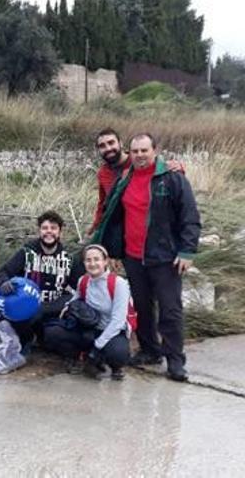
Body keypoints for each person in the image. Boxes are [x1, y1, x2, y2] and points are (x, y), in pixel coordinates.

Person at [93, 133, 201, 382]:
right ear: (129, 154)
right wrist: (110, 249)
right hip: (133, 256)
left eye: (144, 150)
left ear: (155, 150)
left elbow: (190, 216)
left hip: (165, 258)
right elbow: (112, 215)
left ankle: (175, 361)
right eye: (135, 151)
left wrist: (187, 251)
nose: (140, 155)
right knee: (141, 307)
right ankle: (150, 350)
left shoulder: (172, 178)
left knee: (170, 311)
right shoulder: (126, 179)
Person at [0, 211, 83, 349]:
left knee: (69, 303)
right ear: (39, 231)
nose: (49, 232)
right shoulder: (26, 253)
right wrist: (4, 282)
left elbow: (81, 285)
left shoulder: (69, 259)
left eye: (53, 228)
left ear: (60, 232)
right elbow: (3, 272)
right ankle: (27, 339)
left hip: (54, 307)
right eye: (45, 228)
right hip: (26, 304)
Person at [43, 244, 131, 380]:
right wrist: (68, 306)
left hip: (111, 332)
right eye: (88, 260)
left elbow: (118, 321)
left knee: (118, 353)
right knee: (52, 332)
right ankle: (77, 357)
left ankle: (109, 363)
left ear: (105, 261)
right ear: (84, 263)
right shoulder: (83, 281)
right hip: (88, 329)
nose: (93, 263)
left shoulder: (118, 284)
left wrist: (98, 345)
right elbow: (76, 297)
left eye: (97, 259)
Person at [88, 128, 184, 235]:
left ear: (120, 143)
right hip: (120, 225)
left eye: (111, 143)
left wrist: (177, 167)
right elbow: (103, 203)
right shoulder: (103, 173)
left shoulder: (139, 160)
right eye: (102, 146)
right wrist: (96, 227)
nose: (108, 148)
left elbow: (164, 171)